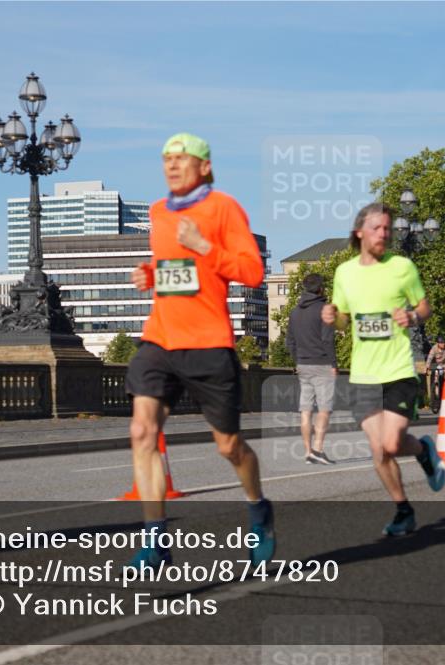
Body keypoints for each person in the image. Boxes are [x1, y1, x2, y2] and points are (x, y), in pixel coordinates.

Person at [125, 133, 273, 567]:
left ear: (204, 166)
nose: (172, 166)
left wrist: (206, 247)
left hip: (209, 343)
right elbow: (177, 269)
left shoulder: (224, 208)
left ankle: (258, 509)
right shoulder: (157, 212)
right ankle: (155, 539)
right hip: (160, 338)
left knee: (229, 447)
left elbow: (251, 272)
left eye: (182, 159)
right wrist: (151, 274)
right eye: (166, 159)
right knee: (142, 431)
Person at [321, 202, 445, 537]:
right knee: (378, 451)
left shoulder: (402, 267)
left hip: (398, 370)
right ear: (359, 231)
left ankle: (423, 449)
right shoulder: (344, 273)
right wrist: (335, 319)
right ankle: (403, 510)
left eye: (388, 229)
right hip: (363, 375)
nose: (384, 234)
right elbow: (346, 319)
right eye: (377, 228)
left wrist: (414, 317)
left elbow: (424, 306)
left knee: (391, 444)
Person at [286, 273, 337, 465]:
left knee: (305, 410)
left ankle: (308, 452)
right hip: (322, 363)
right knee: (324, 409)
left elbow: (289, 342)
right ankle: (318, 449)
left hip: (303, 364)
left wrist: (297, 360)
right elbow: (327, 339)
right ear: (320, 289)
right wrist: (333, 364)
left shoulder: (294, 312)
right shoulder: (324, 310)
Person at [425, 335, 445, 400]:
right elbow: (430, 357)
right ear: (438, 343)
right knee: (436, 374)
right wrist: (427, 367)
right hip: (440, 365)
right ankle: (436, 392)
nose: (443, 344)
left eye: (444, 342)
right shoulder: (434, 348)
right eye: (441, 343)